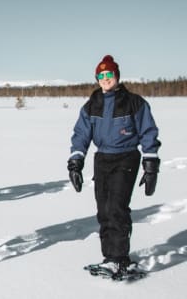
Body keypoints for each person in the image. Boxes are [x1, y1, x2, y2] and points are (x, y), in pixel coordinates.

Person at [67, 55, 161, 277]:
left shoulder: (134, 102)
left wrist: (151, 164)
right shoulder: (92, 105)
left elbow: (148, 132)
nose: (106, 78)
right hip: (102, 159)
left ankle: (121, 259)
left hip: (126, 157)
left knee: (117, 208)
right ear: (97, 79)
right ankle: (109, 257)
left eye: (109, 74)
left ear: (117, 76)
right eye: (101, 75)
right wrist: (75, 161)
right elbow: (81, 134)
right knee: (103, 210)